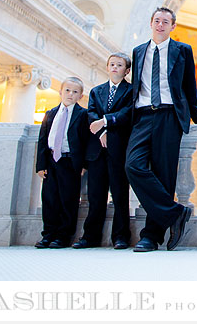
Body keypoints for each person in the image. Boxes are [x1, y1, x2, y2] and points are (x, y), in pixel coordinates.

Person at [90, 7, 197, 252]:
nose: (160, 25)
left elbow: (189, 86)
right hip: (142, 116)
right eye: (157, 20)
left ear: (173, 26)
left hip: (168, 115)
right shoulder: (139, 51)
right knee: (132, 165)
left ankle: (151, 236)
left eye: (166, 21)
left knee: (164, 176)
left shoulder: (182, 51)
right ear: (150, 23)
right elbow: (133, 90)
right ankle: (175, 213)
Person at [75, 53, 132, 249]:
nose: (115, 67)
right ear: (107, 67)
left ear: (127, 70)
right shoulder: (96, 91)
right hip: (97, 150)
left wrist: (105, 122)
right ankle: (90, 237)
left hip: (119, 150)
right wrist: (101, 133)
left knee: (120, 194)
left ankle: (121, 236)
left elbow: (126, 114)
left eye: (119, 65)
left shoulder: (131, 91)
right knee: (95, 195)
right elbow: (91, 114)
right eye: (112, 64)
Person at [35, 77, 89, 249]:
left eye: (75, 92)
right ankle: (47, 234)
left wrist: (84, 164)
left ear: (80, 96)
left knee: (68, 199)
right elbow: (43, 140)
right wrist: (41, 165)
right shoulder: (50, 113)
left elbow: (86, 141)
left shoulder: (83, 115)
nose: (70, 94)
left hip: (70, 161)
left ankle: (63, 236)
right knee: (49, 199)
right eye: (67, 90)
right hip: (51, 161)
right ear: (60, 92)